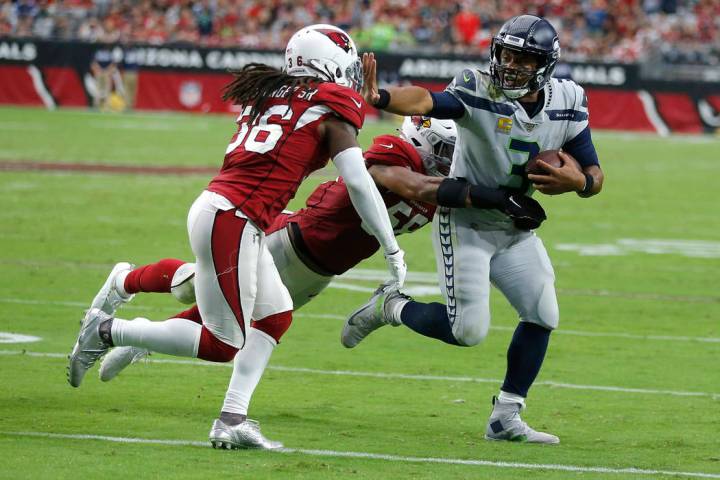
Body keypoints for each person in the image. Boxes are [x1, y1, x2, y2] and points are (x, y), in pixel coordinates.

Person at [67, 24, 407, 450]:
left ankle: (232, 418)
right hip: (234, 217)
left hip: (231, 212)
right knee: (221, 342)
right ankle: (108, 331)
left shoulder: (274, 93)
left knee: (276, 313)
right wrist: (392, 248)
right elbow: (358, 184)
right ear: (330, 64)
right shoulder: (329, 106)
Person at [342, 15, 605, 445]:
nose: (511, 64)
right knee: (467, 330)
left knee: (543, 314)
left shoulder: (569, 99)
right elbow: (428, 101)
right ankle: (391, 306)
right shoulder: (478, 87)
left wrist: (580, 182)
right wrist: (381, 96)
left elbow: (593, 171)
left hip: (515, 228)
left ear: (546, 64)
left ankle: (506, 416)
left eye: (523, 58)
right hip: (466, 223)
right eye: (506, 53)